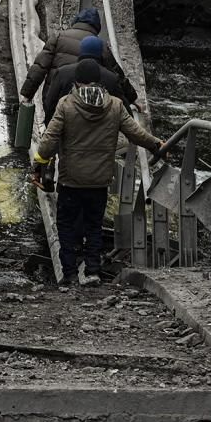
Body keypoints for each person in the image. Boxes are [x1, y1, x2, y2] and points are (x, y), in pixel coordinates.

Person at [34, 60, 165, 286]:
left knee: (65, 226)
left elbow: (48, 142)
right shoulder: (114, 105)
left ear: (76, 80)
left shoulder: (66, 104)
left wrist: (40, 161)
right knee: (93, 226)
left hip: (71, 180)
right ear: (99, 80)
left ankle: (70, 273)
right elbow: (135, 133)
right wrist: (156, 145)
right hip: (99, 181)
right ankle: (93, 271)